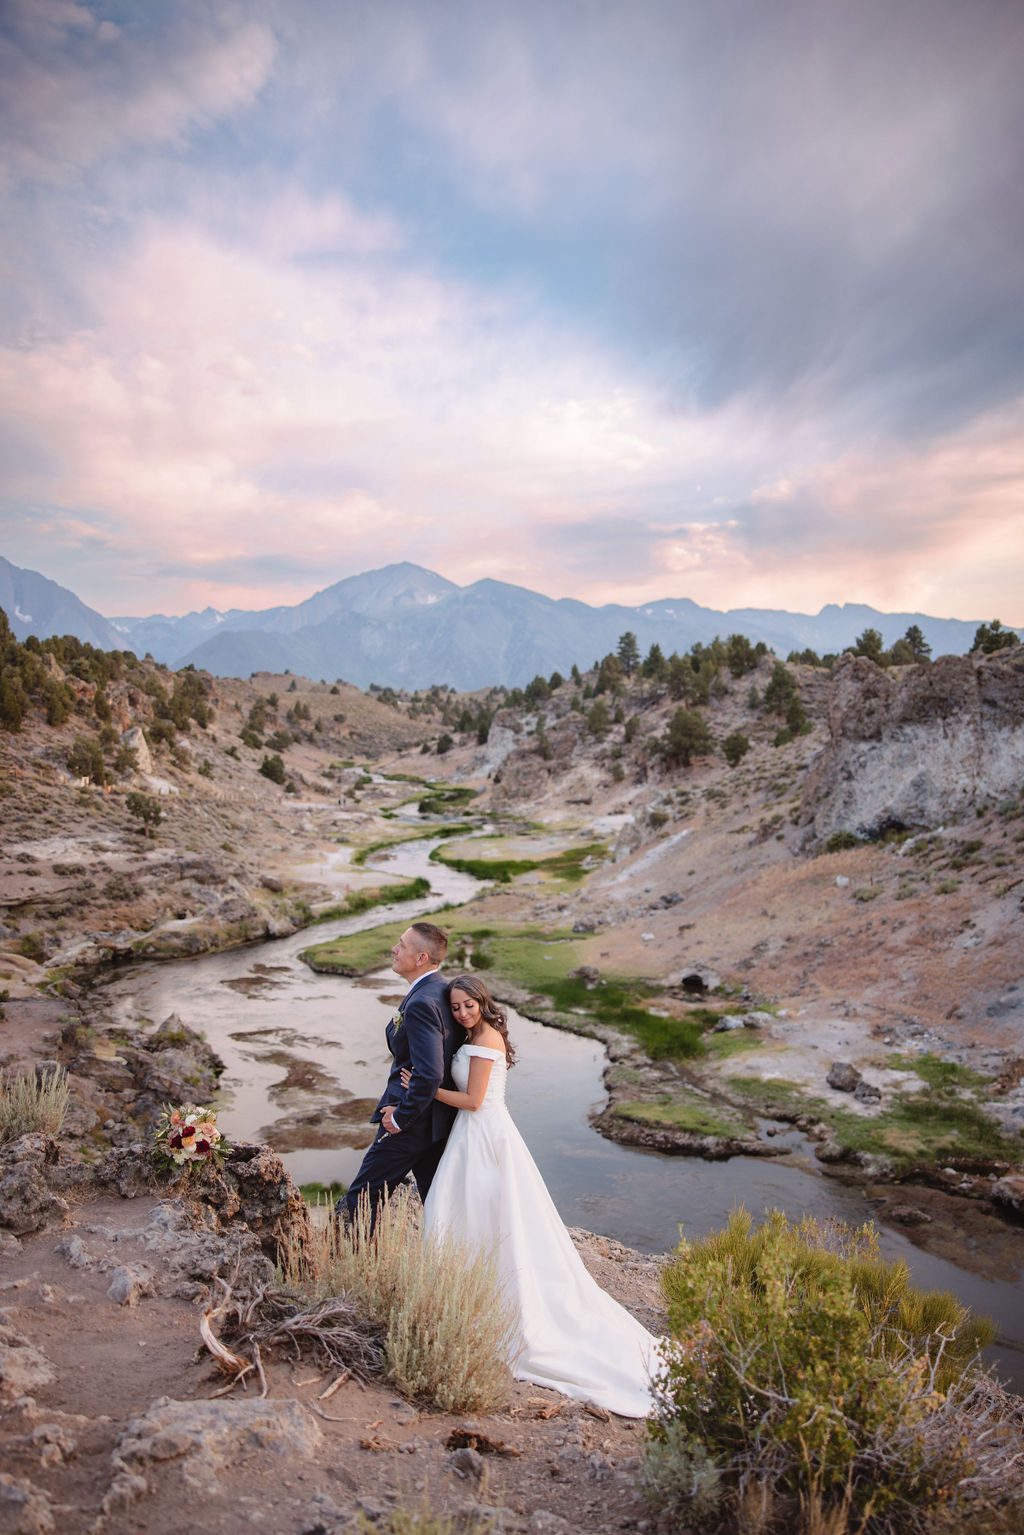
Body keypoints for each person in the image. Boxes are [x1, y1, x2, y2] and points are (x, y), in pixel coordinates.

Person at [402, 974, 660, 1419]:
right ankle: (464, 1295)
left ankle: (493, 1302)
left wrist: (422, 1089)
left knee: (488, 1216)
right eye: (457, 1006)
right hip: (475, 1138)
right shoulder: (477, 1033)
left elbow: (476, 1100)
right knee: (470, 1216)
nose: (462, 1012)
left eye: (469, 1005)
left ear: (483, 1002)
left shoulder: (485, 1040)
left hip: (484, 1137)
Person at [342, 922, 464, 1229]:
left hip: (409, 1124)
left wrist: (399, 1118)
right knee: (437, 1203)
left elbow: (431, 1072)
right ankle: (453, 1266)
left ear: (421, 958)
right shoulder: (441, 990)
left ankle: (346, 1268)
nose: (394, 950)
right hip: (435, 1123)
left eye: (401, 945)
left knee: (362, 1198)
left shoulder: (422, 1002)